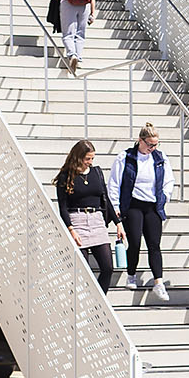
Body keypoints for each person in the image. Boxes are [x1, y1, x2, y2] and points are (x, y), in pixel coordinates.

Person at [53, 139, 120, 291]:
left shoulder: (97, 172)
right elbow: (62, 207)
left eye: (92, 158)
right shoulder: (65, 176)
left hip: (97, 220)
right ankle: (85, 300)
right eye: (87, 158)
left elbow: (106, 198)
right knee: (83, 271)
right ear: (78, 157)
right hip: (77, 221)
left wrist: (118, 223)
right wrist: (71, 229)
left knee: (108, 267)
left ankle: (100, 301)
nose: (90, 162)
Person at [116, 124, 171, 302]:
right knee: (135, 242)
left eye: (155, 145)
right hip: (132, 204)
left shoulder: (160, 158)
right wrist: (116, 206)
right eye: (150, 144)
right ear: (140, 141)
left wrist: (164, 198)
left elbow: (168, 180)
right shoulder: (126, 157)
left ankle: (159, 282)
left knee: (154, 244)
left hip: (153, 206)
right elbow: (114, 183)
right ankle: (131, 274)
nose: (152, 148)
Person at [53, 0, 94, 74]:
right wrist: (92, 12)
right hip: (85, 5)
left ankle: (72, 55)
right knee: (80, 33)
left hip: (68, 2)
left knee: (68, 34)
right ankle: (79, 58)